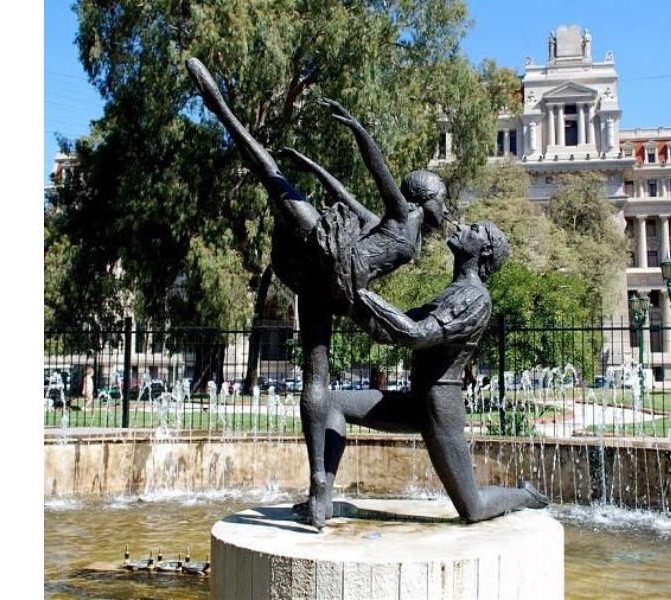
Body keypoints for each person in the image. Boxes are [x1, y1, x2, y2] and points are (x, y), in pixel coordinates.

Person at [185, 57, 446, 529]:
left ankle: (218, 105)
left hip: (334, 269)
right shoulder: (405, 218)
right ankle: (318, 496)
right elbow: (366, 178)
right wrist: (338, 148)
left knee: (270, 175)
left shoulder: (404, 224)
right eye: (442, 198)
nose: (445, 207)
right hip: (341, 284)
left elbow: (362, 187)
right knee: (316, 379)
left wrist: (353, 134)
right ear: (427, 199)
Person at [321, 222, 548, 523]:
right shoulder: (451, 292)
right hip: (418, 400)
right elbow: (392, 328)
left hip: (441, 407)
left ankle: (526, 495)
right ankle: (321, 499)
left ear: (485, 251)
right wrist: (348, 295)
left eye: (475, 229)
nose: (463, 227)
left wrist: (361, 293)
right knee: (331, 403)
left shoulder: (475, 298)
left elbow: (416, 334)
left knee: (474, 509)